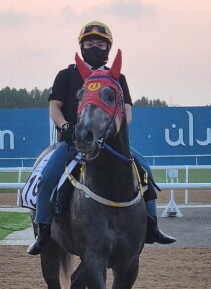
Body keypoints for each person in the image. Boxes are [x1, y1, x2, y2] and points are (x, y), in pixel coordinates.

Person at [28, 21, 176, 255]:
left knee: (145, 170)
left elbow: (126, 112)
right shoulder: (66, 75)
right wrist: (66, 127)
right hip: (73, 142)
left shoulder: (118, 78)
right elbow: (54, 109)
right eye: (90, 43)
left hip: (108, 142)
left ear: (108, 49)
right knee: (47, 178)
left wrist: (110, 132)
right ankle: (44, 231)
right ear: (82, 47)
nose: (95, 47)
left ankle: (151, 225)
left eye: (100, 44)